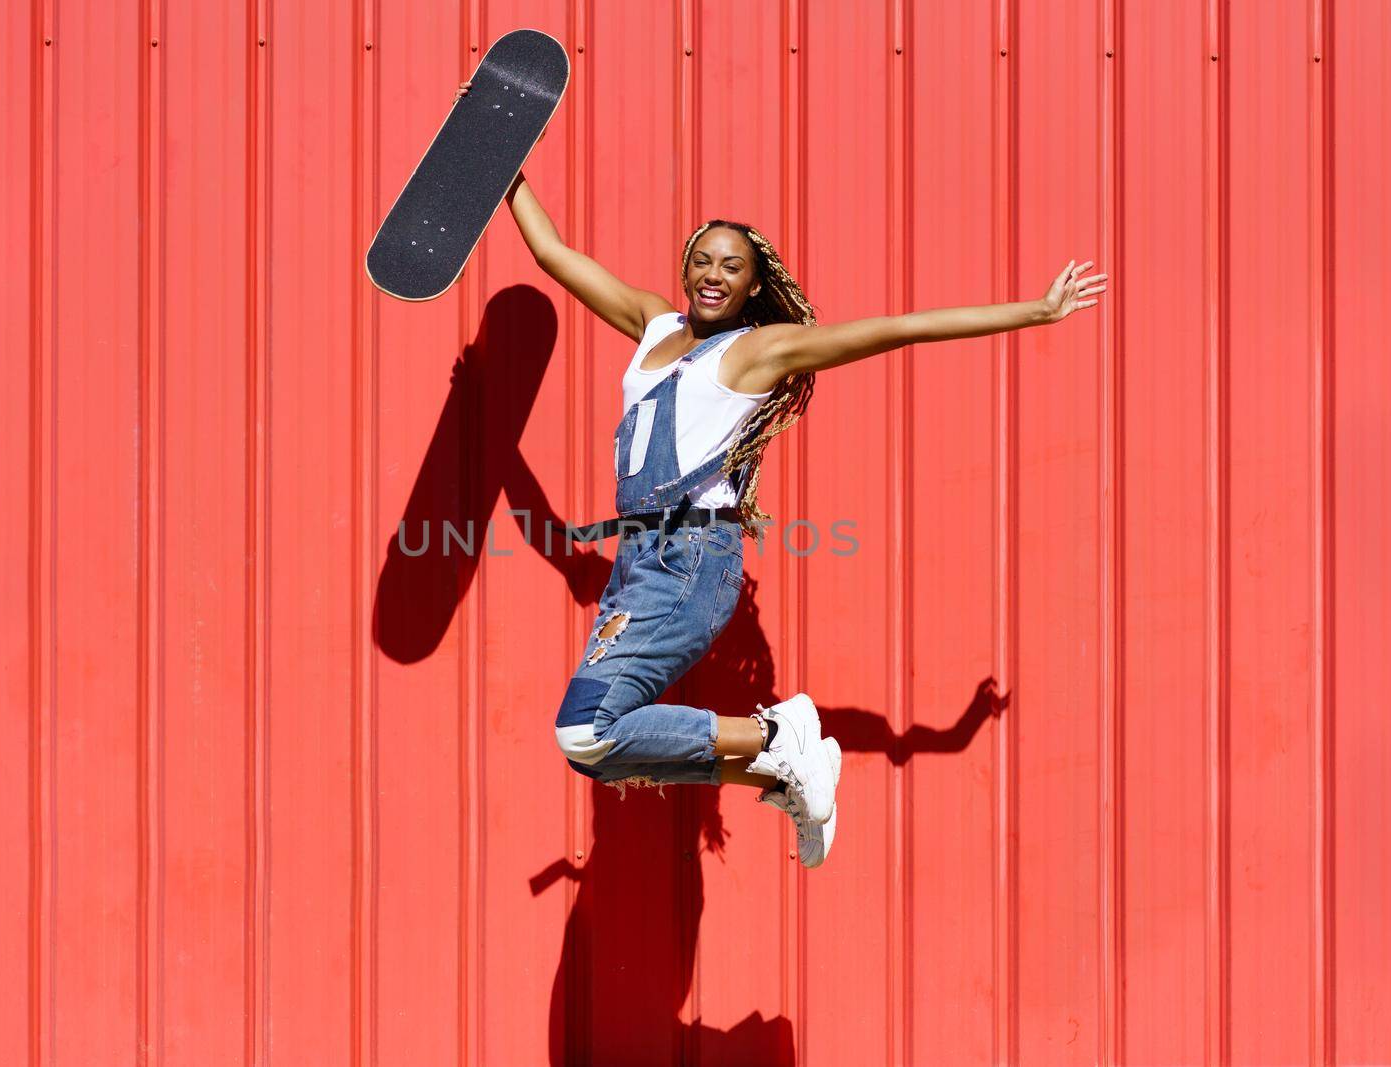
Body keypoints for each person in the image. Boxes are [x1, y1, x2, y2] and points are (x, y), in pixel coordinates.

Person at [455, 80, 1108, 868]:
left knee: (584, 728)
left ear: (753, 285)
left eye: (731, 266)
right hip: (637, 566)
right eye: (702, 259)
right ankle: (778, 764)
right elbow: (552, 254)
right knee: (590, 746)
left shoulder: (759, 351)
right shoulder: (653, 323)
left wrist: (1031, 313)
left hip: (692, 562)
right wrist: (497, 152)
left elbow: (895, 330)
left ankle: (777, 734)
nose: (712, 274)